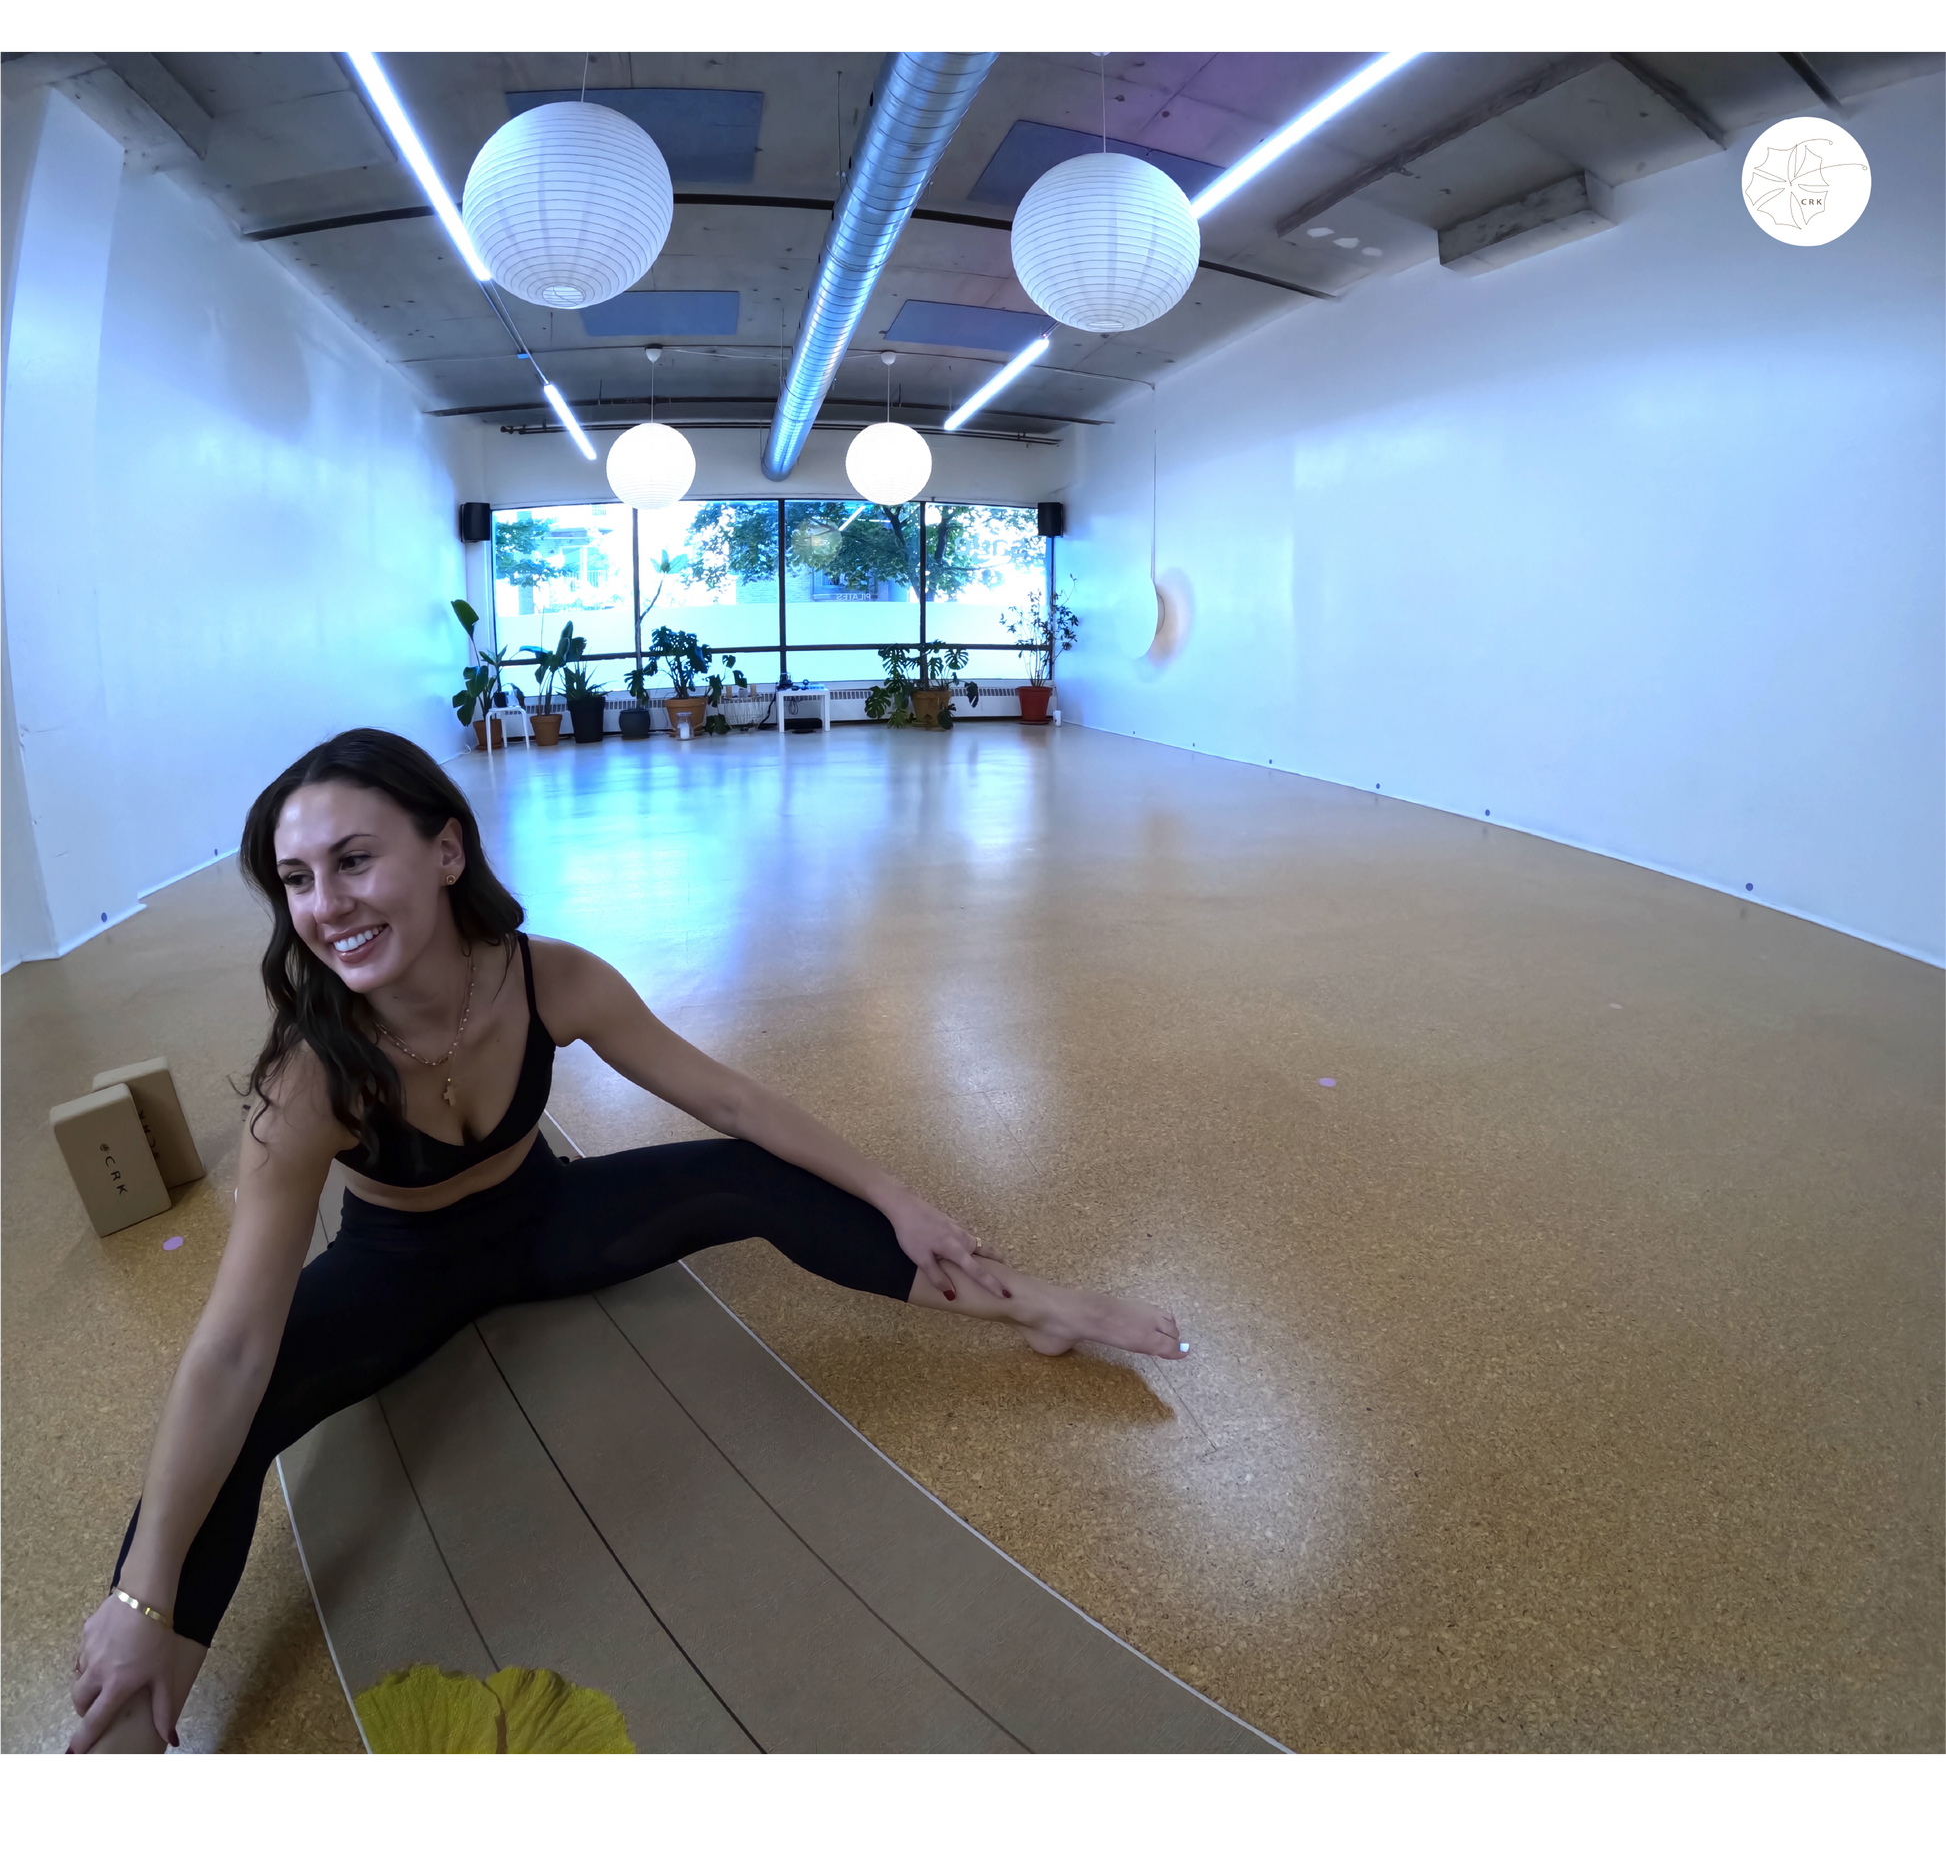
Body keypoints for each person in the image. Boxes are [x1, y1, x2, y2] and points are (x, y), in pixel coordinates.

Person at [67, 729, 1188, 1752]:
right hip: (394, 1273)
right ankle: (126, 1721)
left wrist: (898, 1193)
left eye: (353, 860)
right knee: (242, 1417)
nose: (324, 904)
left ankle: (1030, 1305)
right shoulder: (308, 1077)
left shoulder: (548, 976)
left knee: (753, 1180)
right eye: (297, 880)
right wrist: (138, 1595)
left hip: (545, 1222)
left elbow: (734, 1104)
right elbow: (226, 1350)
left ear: (445, 849)